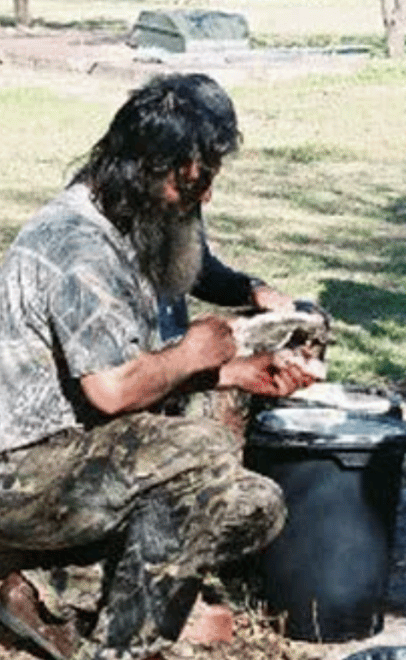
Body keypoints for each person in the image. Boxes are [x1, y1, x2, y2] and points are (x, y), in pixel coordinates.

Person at [0, 73, 322, 660]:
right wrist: (197, 352)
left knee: (253, 504)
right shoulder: (75, 243)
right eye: (192, 181)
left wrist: (242, 370)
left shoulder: (146, 212)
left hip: (82, 452)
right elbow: (114, 389)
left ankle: (59, 594)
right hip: (17, 469)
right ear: (145, 168)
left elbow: (149, 364)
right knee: (201, 449)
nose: (204, 196)